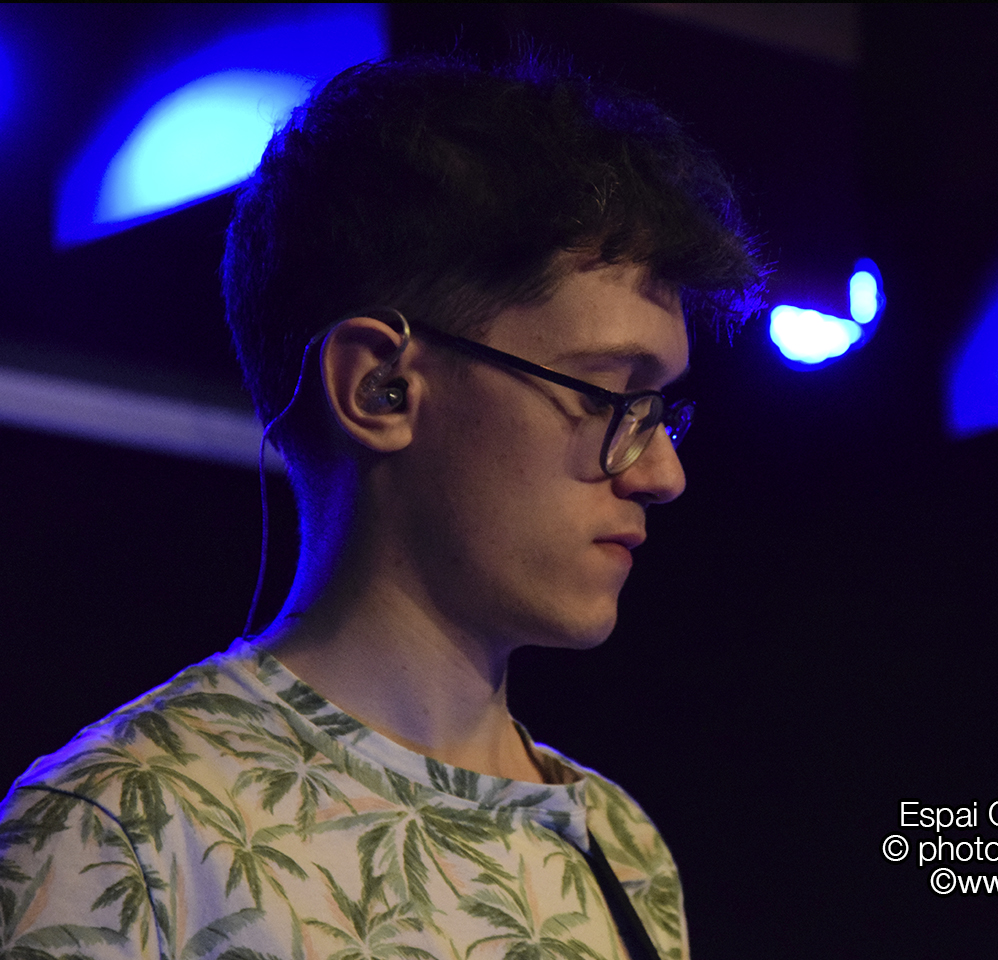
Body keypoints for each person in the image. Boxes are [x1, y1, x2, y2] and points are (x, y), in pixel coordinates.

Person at [0, 54, 762, 959]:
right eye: (608, 397)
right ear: (380, 388)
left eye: (658, 410)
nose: (662, 472)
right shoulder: (118, 833)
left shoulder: (622, 850)